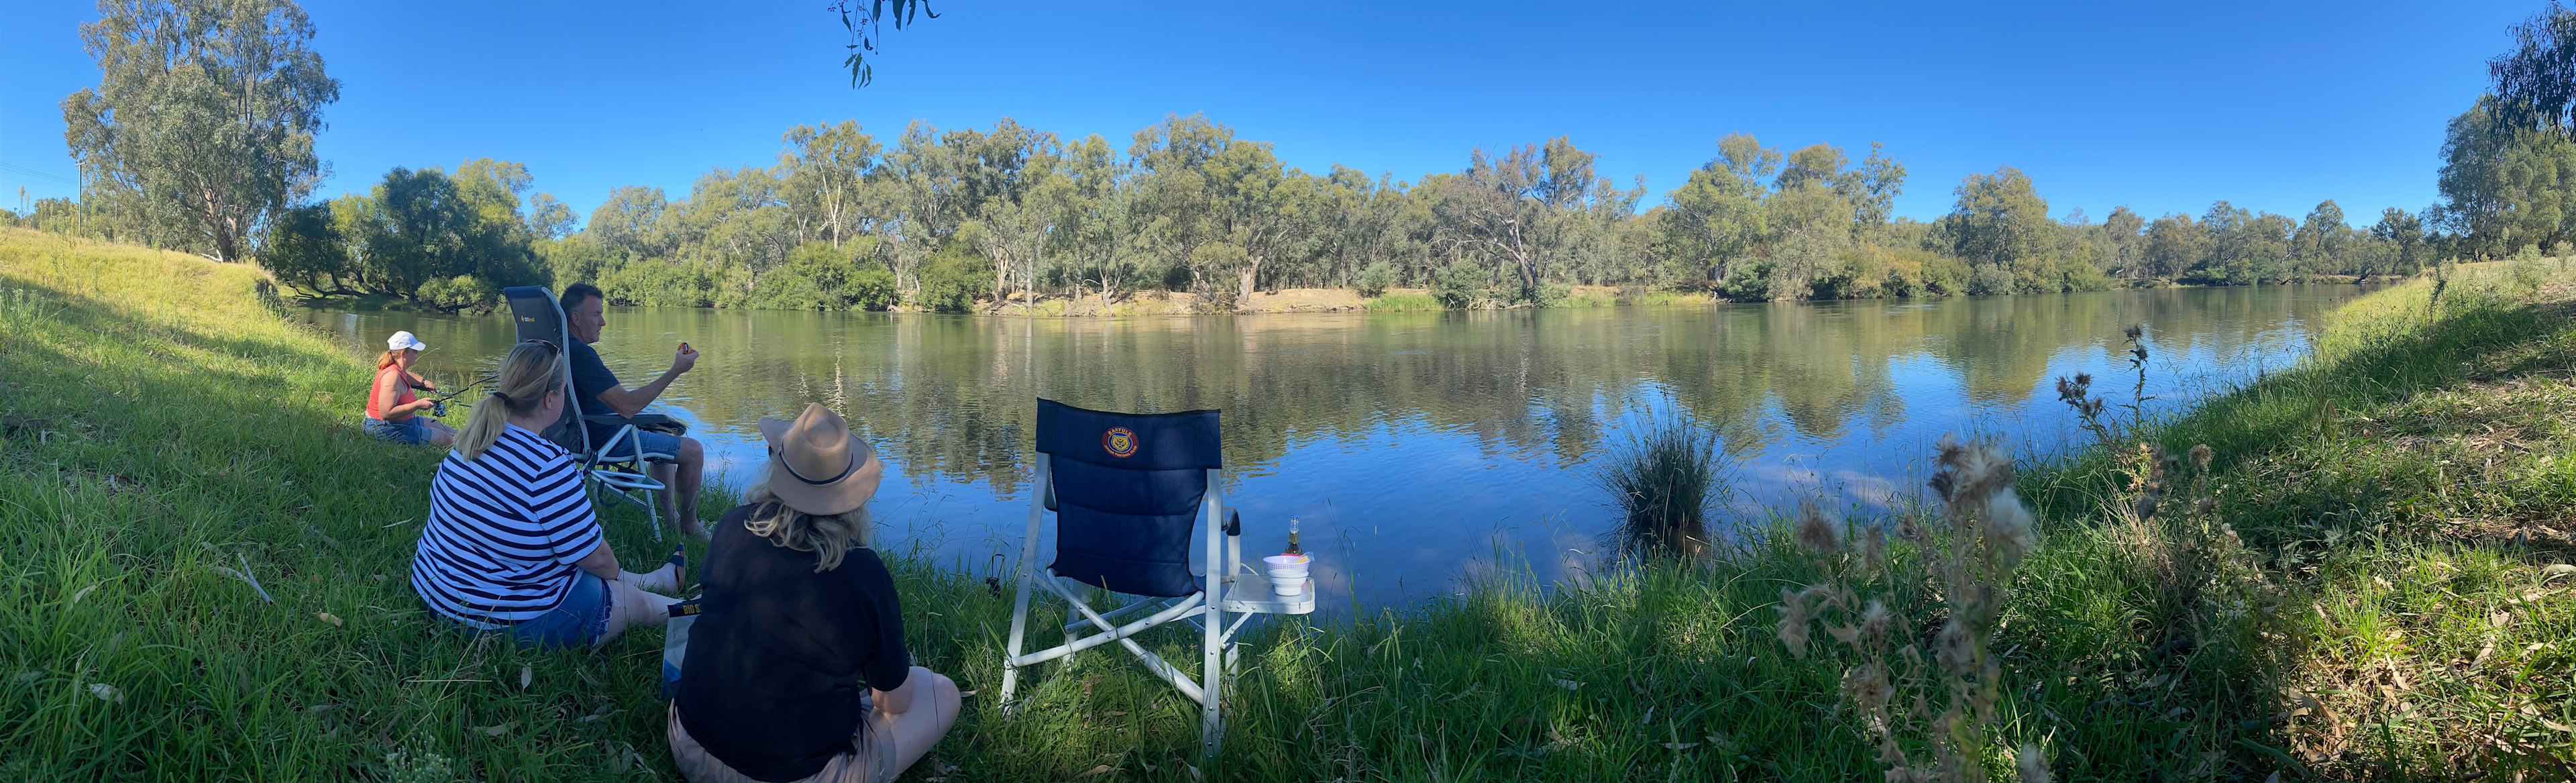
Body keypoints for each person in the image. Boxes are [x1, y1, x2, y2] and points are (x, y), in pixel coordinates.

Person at [669, 403, 960, 783]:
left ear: (778, 468)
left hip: (690, 746)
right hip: (795, 775)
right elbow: (895, 702)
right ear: (851, 491)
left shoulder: (730, 525)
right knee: (941, 692)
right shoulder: (863, 571)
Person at [411, 341, 688, 647]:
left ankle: (659, 580)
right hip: (498, 622)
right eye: (565, 390)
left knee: (578, 565)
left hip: (437, 593)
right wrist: (614, 574)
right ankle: (695, 610)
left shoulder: (469, 442)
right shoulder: (548, 463)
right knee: (634, 603)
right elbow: (595, 558)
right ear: (550, 399)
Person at [560, 282, 710, 536]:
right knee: (694, 451)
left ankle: (670, 519)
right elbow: (628, 407)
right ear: (575, 318)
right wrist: (675, 371)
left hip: (574, 434)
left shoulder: (558, 346)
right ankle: (690, 526)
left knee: (665, 430)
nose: (603, 322)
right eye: (597, 314)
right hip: (606, 439)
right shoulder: (582, 354)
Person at [365, 331, 459, 447]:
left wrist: (424, 382)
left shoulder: (397, 368)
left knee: (442, 427)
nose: (417, 353)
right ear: (404, 353)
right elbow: (386, 413)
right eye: (415, 351)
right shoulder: (392, 376)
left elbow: (406, 375)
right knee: (446, 439)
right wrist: (417, 405)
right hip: (385, 429)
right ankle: (473, 451)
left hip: (403, 422)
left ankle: (473, 439)